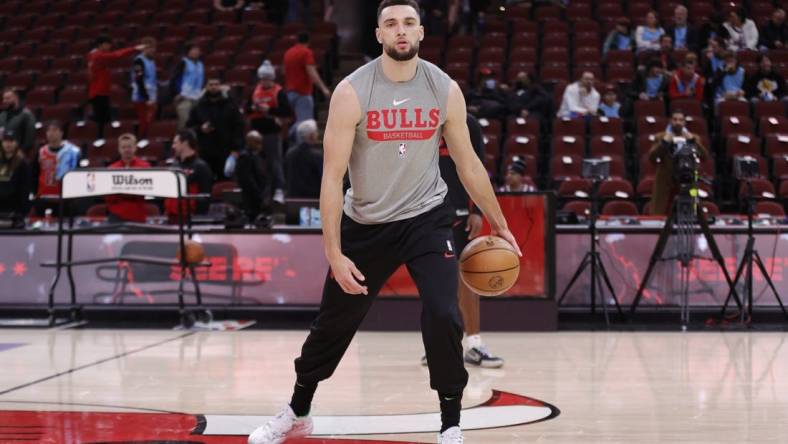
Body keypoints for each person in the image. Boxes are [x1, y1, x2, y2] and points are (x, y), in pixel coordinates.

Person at [246, 2, 521, 443]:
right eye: (391, 23)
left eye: (408, 23)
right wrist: (334, 252)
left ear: (421, 32)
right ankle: (298, 410)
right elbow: (332, 178)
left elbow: (468, 164)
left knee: (444, 313)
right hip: (367, 221)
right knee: (333, 324)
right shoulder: (352, 91)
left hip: (426, 218)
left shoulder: (443, 88)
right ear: (377, 34)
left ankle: (451, 425)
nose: (400, 31)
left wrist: (500, 223)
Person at [647, 110, 708, 215]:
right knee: (659, 210)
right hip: (665, 178)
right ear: (670, 121)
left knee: (689, 211)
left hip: (687, 179)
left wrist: (692, 141)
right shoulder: (660, 137)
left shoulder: (693, 137)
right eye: (675, 119)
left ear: (684, 122)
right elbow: (652, 157)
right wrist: (664, 143)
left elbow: (704, 157)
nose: (678, 122)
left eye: (681, 120)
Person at [248, 60, 292, 204]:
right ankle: (264, 193)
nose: (264, 81)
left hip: (272, 132)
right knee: (259, 164)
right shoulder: (255, 91)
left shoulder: (279, 92)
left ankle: (279, 190)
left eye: (267, 78)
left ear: (272, 78)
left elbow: (287, 111)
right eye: (262, 78)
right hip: (256, 134)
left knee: (275, 162)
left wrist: (270, 110)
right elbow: (246, 108)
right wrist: (254, 108)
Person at [88, 35, 146, 137]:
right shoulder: (98, 56)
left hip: (100, 90)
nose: (109, 47)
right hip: (99, 92)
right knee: (102, 120)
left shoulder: (92, 54)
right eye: (108, 45)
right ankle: (101, 138)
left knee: (105, 118)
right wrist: (134, 48)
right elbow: (116, 55)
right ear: (102, 45)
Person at [187, 78, 245, 179]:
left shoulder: (230, 105)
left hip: (226, 151)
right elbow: (189, 127)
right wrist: (201, 129)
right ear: (206, 87)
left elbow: (239, 127)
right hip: (205, 152)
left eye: (216, 84)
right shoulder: (198, 106)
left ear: (220, 86)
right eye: (211, 84)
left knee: (225, 181)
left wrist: (236, 149)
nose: (214, 87)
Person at [283, 31, 332, 139]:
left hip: (289, 93)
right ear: (308, 41)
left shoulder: (288, 53)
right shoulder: (306, 52)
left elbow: (284, 72)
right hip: (303, 93)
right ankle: (302, 151)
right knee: (304, 126)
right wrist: (323, 88)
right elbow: (311, 72)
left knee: (295, 123)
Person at [165, 129, 213, 220]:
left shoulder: (201, 167)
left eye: (176, 143)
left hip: (190, 219)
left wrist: (198, 219)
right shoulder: (174, 165)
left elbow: (204, 196)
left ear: (185, 143)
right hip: (171, 217)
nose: (173, 146)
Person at [106, 133, 151, 223]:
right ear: (119, 149)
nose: (127, 150)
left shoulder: (145, 167)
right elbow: (109, 197)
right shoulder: (111, 169)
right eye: (123, 147)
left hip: (137, 215)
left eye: (129, 147)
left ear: (135, 148)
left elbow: (147, 191)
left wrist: (122, 192)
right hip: (116, 216)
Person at [31, 122, 80, 200]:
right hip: (43, 195)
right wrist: (33, 192)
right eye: (49, 131)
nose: (51, 133)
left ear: (61, 133)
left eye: (54, 130)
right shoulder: (41, 151)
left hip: (64, 197)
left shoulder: (71, 152)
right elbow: (34, 174)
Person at [169, 43, 205, 130]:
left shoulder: (200, 65)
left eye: (198, 50)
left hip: (197, 96)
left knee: (198, 121)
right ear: (188, 51)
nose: (196, 52)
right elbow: (175, 79)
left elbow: (202, 79)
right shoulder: (183, 63)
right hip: (184, 97)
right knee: (185, 121)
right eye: (194, 50)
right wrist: (177, 93)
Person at [235, 130, 269, 221]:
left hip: (257, 195)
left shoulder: (256, 156)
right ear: (249, 142)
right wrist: (257, 194)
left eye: (260, 142)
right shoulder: (245, 157)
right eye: (257, 142)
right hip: (250, 198)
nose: (260, 145)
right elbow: (247, 179)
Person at [284, 119, 323, 198]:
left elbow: (285, 175)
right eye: (316, 132)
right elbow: (323, 178)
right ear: (311, 135)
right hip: (312, 199)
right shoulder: (316, 155)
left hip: (293, 197)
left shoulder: (289, 153)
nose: (317, 134)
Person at [0, 130, 31, 226]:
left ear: (16, 143)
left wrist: (22, 211)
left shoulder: (23, 163)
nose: (8, 144)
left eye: (11, 141)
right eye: (5, 141)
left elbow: (25, 188)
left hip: (15, 209)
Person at [131, 37, 158, 137]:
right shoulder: (139, 61)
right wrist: (146, 97)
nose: (152, 50)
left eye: (153, 47)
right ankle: (141, 140)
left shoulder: (152, 61)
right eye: (149, 47)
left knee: (150, 121)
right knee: (144, 121)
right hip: (141, 96)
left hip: (152, 95)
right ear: (143, 48)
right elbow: (139, 80)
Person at [0, 89, 36, 154]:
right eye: (4, 99)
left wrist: (19, 153)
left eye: (8, 98)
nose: (4, 101)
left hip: (19, 154)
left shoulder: (27, 115)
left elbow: (29, 140)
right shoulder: (2, 115)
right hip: (3, 154)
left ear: (16, 98)